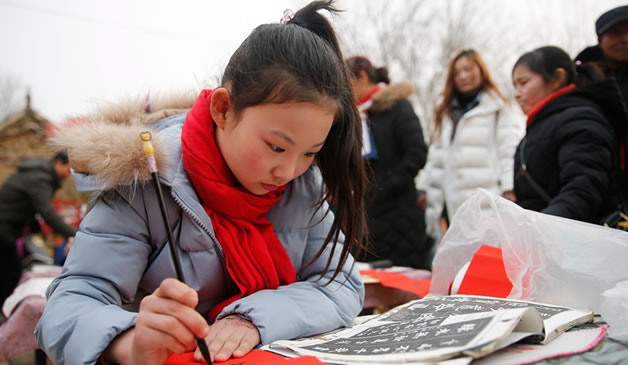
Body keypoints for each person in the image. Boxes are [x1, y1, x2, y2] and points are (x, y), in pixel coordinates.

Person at [35, 2, 368, 364]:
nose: (287, 171)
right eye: (277, 147)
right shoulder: (145, 180)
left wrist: (254, 319)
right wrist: (131, 343)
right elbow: (69, 304)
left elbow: (341, 283)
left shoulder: (304, 188)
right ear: (223, 109)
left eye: (309, 153)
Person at [417, 49, 524, 237]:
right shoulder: (446, 111)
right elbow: (437, 154)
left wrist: (509, 189)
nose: (463, 76)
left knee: (486, 253)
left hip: (487, 197)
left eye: (468, 69)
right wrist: (425, 187)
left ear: (481, 71)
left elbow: (508, 150)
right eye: (457, 73)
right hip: (452, 201)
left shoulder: (498, 108)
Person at [511, 46, 624, 223]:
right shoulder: (536, 130)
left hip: (575, 241)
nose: (517, 94)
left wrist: (539, 228)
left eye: (523, 83)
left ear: (558, 78)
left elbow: (584, 188)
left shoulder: (581, 119)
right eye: (515, 86)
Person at [345, 56, 429, 269]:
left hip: (399, 214)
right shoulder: (356, 116)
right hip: (366, 215)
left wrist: (384, 185)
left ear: (362, 77)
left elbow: (417, 152)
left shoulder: (397, 106)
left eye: (347, 82)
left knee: (402, 282)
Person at [574, 5, 628, 220]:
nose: (626, 39)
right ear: (600, 40)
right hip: (604, 201)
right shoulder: (584, 81)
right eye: (617, 33)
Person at [0, 152, 75, 307]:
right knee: (11, 271)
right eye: (68, 170)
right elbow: (48, 213)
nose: (69, 176)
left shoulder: (37, 174)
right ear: (59, 163)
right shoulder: (40, 178)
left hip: (7, 227)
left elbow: (27, 205)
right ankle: (4, 311)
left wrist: (36, 227)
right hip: (4, 227)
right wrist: (76, 235)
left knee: (10, 270)